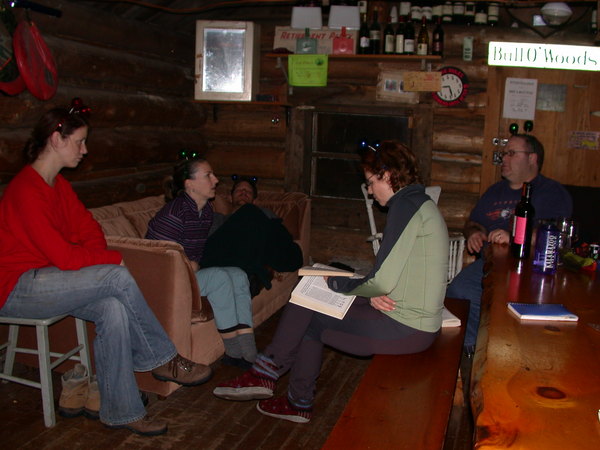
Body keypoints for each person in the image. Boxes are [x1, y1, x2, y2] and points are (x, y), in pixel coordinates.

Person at [0, 106, 212, 437]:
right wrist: (110, 260)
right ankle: (161, 358)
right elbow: (65, 257)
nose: (84, 150)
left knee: (112, 308)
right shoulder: (26, 191)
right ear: (57, 139)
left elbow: (90, 232)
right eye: (80, 142)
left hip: (51, 279)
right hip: (16, 289)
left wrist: (101, 256)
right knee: (115, 273)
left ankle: (121, 410)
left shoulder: (59, 187)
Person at [212, 140, 449, 423]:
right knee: (310, 305)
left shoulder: (405, 206)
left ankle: (274, 379)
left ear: (388, 175)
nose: (371, 191)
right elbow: (393, 276)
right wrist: (365, 290)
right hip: (409, 318)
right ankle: (284, 388)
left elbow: (382, 281)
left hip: (406, 326)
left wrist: (338, 285)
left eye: (371, 182)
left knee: (311, 301)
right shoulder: (417, 203)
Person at [446, 134, 573, 355]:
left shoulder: (551, 192)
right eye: (504, 153)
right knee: (459, 290)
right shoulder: (495, 191)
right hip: (491, 264)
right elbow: (472, 222)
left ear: (532, 158)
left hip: (531, 268)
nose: (504, 158)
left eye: (511, 153)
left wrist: (515, 237)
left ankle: (496, 350)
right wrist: (475, 233)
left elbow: (555, 235)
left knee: (498, 300)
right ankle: (470, 352)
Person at [146, 155, 258, 369]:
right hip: (165, 282)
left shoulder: (206, 210)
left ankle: (250, 351)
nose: (215, 180)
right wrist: (191, 265)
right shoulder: (173, 214)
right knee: (220, 279)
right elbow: (161, 263)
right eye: (208, 175)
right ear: (190, 184)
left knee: (238, 274)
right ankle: (234, 352)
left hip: (188, 273)